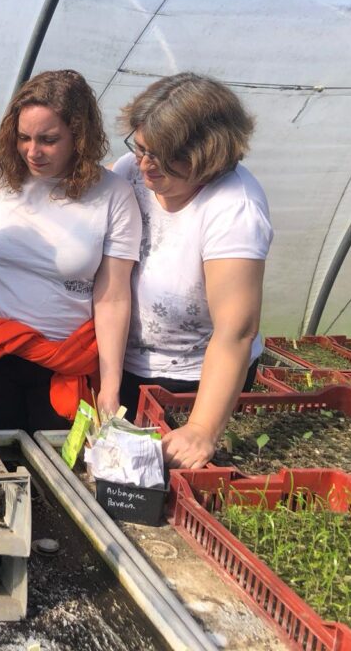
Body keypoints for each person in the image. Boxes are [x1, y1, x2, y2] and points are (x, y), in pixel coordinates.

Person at [0, 70, 141, 433]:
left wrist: (110, 387)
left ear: (79, 137)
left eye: (49, 140)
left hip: (66, 361)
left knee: (62, 468)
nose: (32, 152)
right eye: (23, 138)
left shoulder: (113, 195)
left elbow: (113, 296)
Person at [111, 72, 273, 468]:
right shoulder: (130, 172)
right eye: (142, 148)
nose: (146, 165)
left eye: (166, 158)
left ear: (209, 156)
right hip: (125, 365)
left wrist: (201, 428)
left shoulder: (234, 209)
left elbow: (236, 331)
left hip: (194, 382)